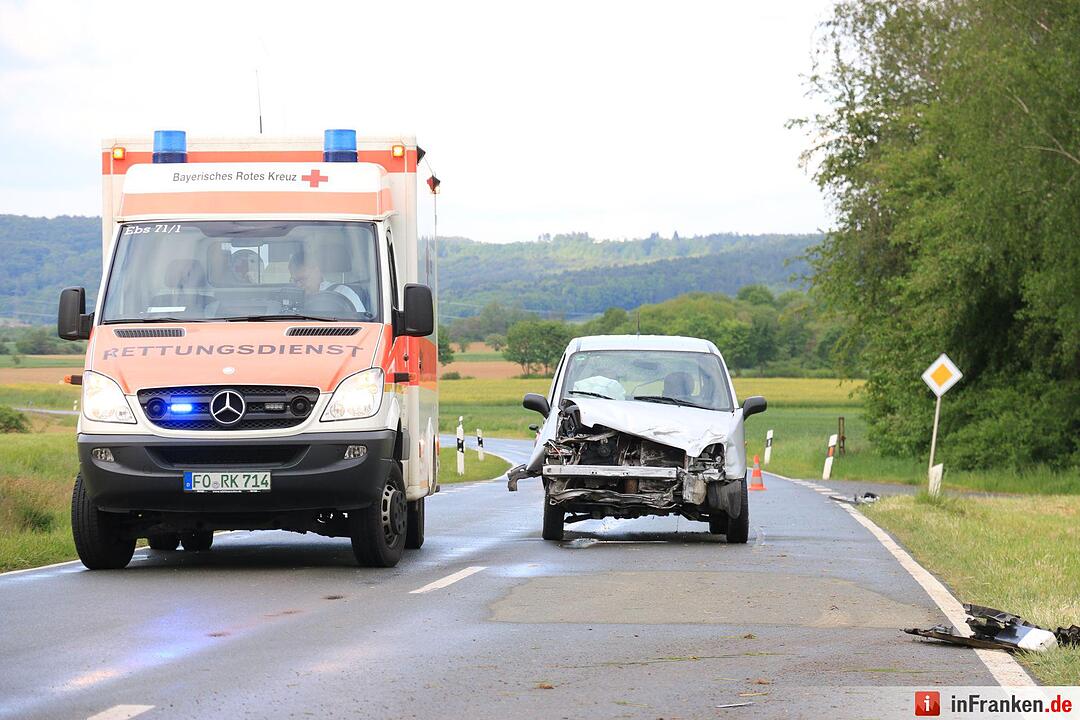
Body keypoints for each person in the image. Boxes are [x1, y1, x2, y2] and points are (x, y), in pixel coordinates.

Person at [288, 248, 366, 312]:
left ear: (317, 271)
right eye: (295, 280)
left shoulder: (343, 293)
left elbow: (363, 324)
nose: (298, 285)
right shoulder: (290, 300)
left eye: (303, 279)